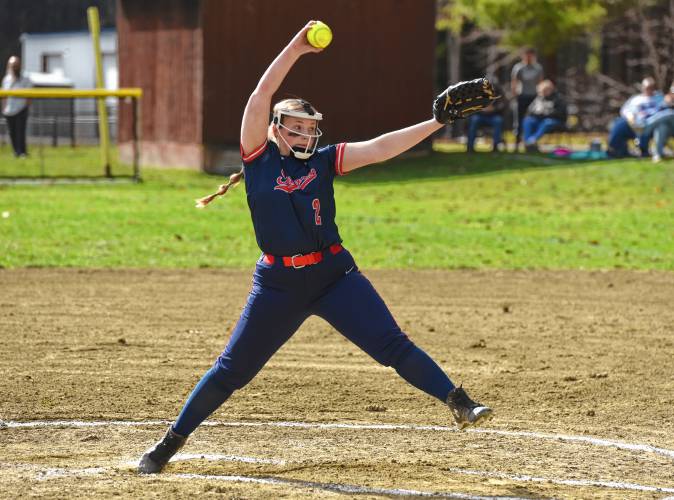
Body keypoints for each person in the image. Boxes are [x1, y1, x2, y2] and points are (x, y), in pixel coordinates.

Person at [137, 21, 493, 474]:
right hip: (279, 285)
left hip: (334, 278)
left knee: (393, 346)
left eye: (311, 129)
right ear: (276, 130)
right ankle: (167, 446)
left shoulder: (325, 161)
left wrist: (437, 122)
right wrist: (296, 48)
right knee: (232, 372)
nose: (306, 136)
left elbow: (381, 148)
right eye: (297, 128)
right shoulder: (258, 158)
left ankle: (460, 402)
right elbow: (259, 96)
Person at [607, 77, 663, 158]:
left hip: (651, 124)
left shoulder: (659, 98)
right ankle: (615, 150)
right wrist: (630, 117)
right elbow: (625, 110)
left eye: (651, 87)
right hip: (634, 124)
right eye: (647, 87)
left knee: (644, 127)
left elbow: (664, 110)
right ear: (643, 87)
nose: (649, 90)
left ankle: (643, 150)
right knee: (618, 124)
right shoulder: (636, 99)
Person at [511, 47, 543, 152]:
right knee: (519, 120)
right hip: (522, 96)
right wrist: (515, 94)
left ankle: (531, 143)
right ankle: (517, 143)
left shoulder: (538, 68)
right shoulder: (518, 68)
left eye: (531, 55)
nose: (529, 57)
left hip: (534, 97)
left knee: (533, 120)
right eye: (527, 55)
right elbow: (514, 82)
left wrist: (541, 97)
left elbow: (540, 82)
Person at [521, 80, 567, 152]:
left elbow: (560, 113)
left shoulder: (558, 98)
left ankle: (531, 140)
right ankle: (528, 144)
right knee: (528, 120)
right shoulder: (539, 98)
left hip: (555, 121)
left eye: (544, 91)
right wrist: (536, 113)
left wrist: (545, 113)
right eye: (540, 92)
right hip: (539, 120)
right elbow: (530, 111)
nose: (541, 93)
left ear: (550, 89)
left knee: (547, 122)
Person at [466, 77, 507, 153]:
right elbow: (471, 106)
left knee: (498, 121)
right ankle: (470, 146)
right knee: (474, 120)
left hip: (493, 116)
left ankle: (495, 146)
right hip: (480, 116)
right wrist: (481, 109)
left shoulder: (499, 94)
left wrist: (494, 109)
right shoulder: (477, 94)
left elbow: (503, 105)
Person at [1, 56, 31, 157]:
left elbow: (29, 95)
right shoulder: (6, 79)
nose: (14, 67)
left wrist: (26, 107)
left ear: (19, 65)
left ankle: (22, 152)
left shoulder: (25, 78)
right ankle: (16, 152)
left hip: (21, 109)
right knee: (12, 133)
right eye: (12, 65)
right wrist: (4, 108)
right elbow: (4, 95)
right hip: (9, 110)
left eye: (16, 65)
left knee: (20, 132)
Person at [644, 83, 674, 163]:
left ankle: (647, 126)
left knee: (670, 113)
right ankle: (658, 154)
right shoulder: (665, 99)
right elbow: (659, 110)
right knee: (662, 127)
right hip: (670, 128)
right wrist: (666, 103)